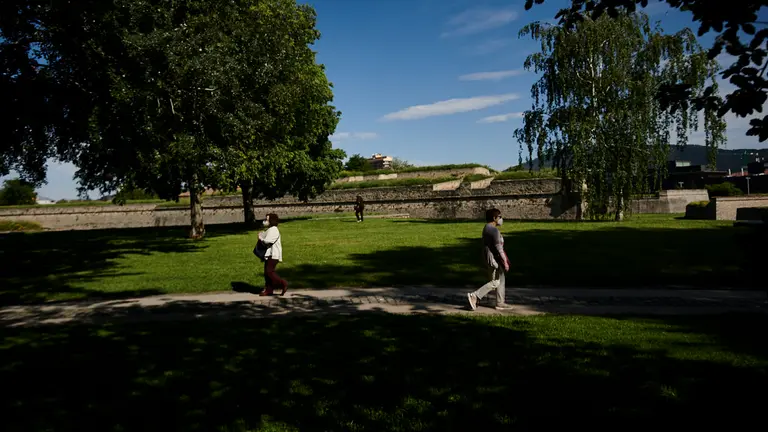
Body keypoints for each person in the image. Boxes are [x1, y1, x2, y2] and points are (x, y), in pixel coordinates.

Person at [467, 208, 513, 311]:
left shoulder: (487, 227)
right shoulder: (493, 230)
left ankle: (500, 302)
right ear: (494, 218)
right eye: (500, 217)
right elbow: (499, 248)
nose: (501, 219)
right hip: (494, 258)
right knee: (495, 282)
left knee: (501, 280)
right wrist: (505, 261)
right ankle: (475, 295)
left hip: (491, 257)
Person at [258, 213, 287, 296]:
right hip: (269, 254)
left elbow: (267, 241)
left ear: (271, 220)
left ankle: (283, 283)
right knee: (266, 273)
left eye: (267, 220)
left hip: (273, 254)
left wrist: (260, 238)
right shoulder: (270, 229)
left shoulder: (273, 229)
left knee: (269, 272)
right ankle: (269, 290)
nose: (265, 221)